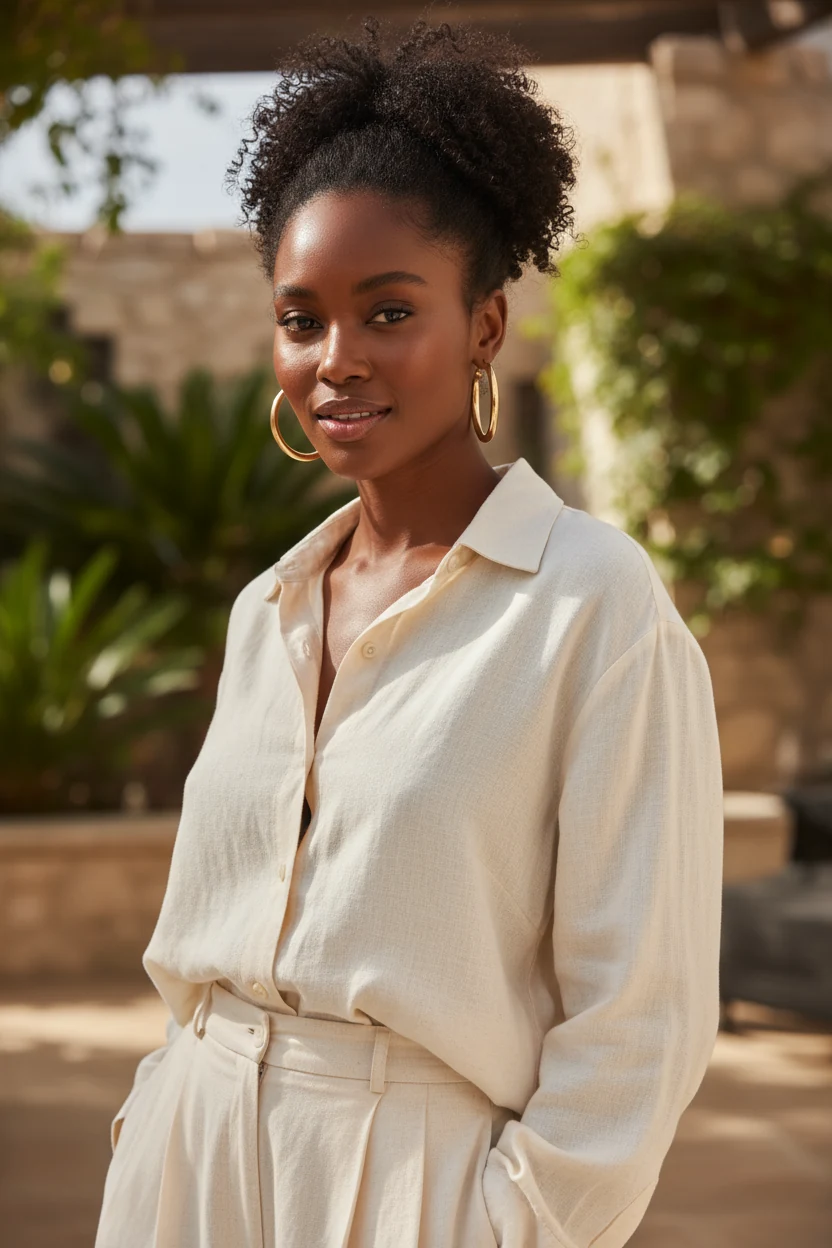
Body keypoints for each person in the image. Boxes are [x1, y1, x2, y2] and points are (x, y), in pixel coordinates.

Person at [95, 18, 723, 1248]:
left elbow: (639, 1009)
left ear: (484, 326)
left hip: (413, 1187)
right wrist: (151, 1121)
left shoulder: (591, 602)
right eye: (301, 318)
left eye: (388, 312)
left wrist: (513, 1224)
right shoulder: (268, 609)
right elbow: (203, 940)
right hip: (190, 1171)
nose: (336, 360)